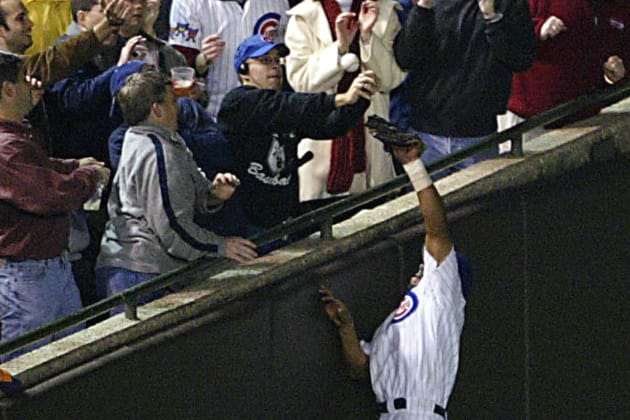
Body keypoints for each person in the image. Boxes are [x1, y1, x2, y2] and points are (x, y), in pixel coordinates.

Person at [320, 140, 472, 418]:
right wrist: (346, 327)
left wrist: (414, 167)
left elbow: (437, 230)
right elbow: (361, 369)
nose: (423, 265)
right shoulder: (395, 321)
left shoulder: (440, 294)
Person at [95, 71, 257, 305]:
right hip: (139, 273)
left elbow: (177, 202)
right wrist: (221, 245)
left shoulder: (153, 138)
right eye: (172, 101)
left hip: (133, 269)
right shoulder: (157, 152)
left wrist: (212, 196)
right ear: (157, 109)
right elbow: (171, 228)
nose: (178, 107)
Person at [0, 53, 111, 361]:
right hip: (27, 280)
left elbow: (39, 169)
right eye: (24, 80)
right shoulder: (6, 147)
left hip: (49, 271)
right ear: (8, 89)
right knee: (32, 375)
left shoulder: (15, 137)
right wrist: (89, 176)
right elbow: (49, 194)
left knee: (71, 366)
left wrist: (73, 165)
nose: (32, 86)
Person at [217, 35, 378, 235]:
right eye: (266, 61)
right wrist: (342, 98)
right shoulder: (238, 102)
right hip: (246, 225)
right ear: (244, 71)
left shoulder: (283, 105)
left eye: (277, 61)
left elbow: (330, 126)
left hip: (284, 219)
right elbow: (287, 105)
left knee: (366, 207)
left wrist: (361, 99)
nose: (275, 66)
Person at [393, 0, 536, 178]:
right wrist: (422, 9)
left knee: (480, 204)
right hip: (425, 134)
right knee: (421, 204)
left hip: (478, 135)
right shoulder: (429, 4)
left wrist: (492, 19)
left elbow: (522, 59)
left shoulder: (507, 4)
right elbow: (405, 58)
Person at [284, 0, 406, 201]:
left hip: (372, 140)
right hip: (322, 145)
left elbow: (392, 79)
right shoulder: (302, 17)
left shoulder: (385, 10)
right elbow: (301, 84)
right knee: (323, 225)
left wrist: (367, 38)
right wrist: (340, 48)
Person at [497, 0, 627, 147]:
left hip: (585, 120)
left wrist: (615, 74)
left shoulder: (620, 6)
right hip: (529, 119)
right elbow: (503, 37)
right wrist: (538, 30)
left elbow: (621, 56)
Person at [168, 0, 290, 118]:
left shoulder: (278, 2)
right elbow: (177, 68)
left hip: (267, 113)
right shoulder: (188, 3)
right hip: (211, 116)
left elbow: (287, 58)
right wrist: (200, 60)